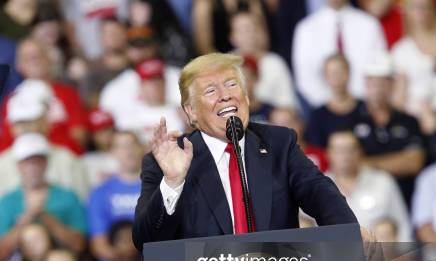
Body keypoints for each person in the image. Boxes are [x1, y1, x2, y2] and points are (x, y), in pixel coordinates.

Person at [132, 53, 360, 250]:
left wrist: (349, 235)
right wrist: (173, 183)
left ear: (247, 97)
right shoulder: (167, 161)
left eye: (232, 85)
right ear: (191, 112)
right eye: (211, 90)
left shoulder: (279, 144)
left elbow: (322, 196)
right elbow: (146, 240)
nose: (225, 95)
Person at [0, 81, 89, 223]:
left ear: (46, 122)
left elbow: (82, 211)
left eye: (32, 120)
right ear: (11, 126)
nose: (25, 128)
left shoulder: (68, 161)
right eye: (19, 122)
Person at [0, 133, 87, 260]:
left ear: (46, 163)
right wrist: (28, 217)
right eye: (28, 162)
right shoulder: (7, 202)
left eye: (38, 162)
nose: (33, 167)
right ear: (19, 166)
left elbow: (79, 245)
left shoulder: (67, 197)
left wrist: (46, 217)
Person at [0, 37, 89, 156]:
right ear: (19, 65)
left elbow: (79, 137)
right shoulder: (11, 101)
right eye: (26, 58)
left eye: (37, 56)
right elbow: (4, 146)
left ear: (48, 59)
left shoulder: (68, 93)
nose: (33, 61)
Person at [352, 52, 426, 205]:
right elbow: (350, 163)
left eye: (384, 82)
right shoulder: (352, 119)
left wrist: (368, 163)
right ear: (366, 83)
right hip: (364, 195)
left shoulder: (409, 121)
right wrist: (398, 160)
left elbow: (414, 162)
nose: (379, 88)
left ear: (392, 85)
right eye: (374, 82)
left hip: (405, 195)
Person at [292, 0, 387, 108]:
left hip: (365, 108)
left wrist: (353, 104)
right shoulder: (305, 28)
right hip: (321, 111)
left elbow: (378, 70)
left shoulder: (370, 25)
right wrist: (333, 107)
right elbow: (305, 79)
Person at [325, 130, 412, 241]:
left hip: (378, 253)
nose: (345, 156)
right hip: (332, 253)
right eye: (339, 150)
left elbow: (402, 223)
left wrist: (404, 256)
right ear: (328, 153)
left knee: (384, 229)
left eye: (350, 149)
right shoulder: (315, 186)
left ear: (359, 152)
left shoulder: (382, 181)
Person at [99, 26, 181, 126]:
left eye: (145, 45)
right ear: (126, 49)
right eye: (135, 46)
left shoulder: (178, 75)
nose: (141, 51)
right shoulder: (114, 87)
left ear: (155, 46)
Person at [88, 131, 142, 261]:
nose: (128, 151)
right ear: (113, 152)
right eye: (122, 146)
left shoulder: (160, 188)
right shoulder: (100, 192)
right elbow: (98, 244)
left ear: (142, 147)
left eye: (131, 145)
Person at [229, 10, 296, 109]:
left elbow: (287, 105)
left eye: (251, 29)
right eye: (241, 30)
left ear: (261, 32)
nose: (248, 35)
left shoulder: (275, 63)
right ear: (232, 37)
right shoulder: (225, 64)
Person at [113, 59, 186, 144]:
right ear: (141, 85)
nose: (154, 86)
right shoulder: (129, 114)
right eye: (149, 81)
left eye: (158, 80)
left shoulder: (181, 112)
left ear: (165, 82)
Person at [391, 0, 436, 136]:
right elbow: (399, 97)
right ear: (407, 12)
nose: (421, 12)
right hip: (416, 118)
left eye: (425, 7)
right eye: (415, 8)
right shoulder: (401, 50)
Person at [305, 54, 365, 148]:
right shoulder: (318, 116)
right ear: (325, 77)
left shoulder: (366, 108)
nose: (337, 77)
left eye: (340, 72)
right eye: (332, 73)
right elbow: (316, 151)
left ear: (349, 73)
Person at [82, 108, 119, 189]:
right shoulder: (86, 160)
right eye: (101, 132)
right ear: (91, 135)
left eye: (110, 129)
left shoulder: (125, 154)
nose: (107, 134)